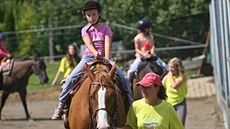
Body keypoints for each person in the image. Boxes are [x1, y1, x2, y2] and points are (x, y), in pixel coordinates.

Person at [51, 0, 133, 120]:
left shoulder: (106, 28)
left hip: (105, 57)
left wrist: (106, 58)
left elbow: (107, 44)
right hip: (88, 57)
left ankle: (130, 105)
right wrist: (95, 54)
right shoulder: (85, 30)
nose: (91, 17)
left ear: (99, 14)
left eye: (93, 14)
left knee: (124, 79)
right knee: (71, 78)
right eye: (88, 15)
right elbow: (88, 44)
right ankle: (61, 105)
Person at [162, 57, 187, 126]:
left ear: (178, 68)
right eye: (169, 67)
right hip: (169, 104)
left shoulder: (182, 77)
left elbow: (174, 86)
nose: (170, 69)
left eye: (172, 67)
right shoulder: (166, 77)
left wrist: (169, 76)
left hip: (180, 103)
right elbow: (161, 86)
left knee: (180, 124)